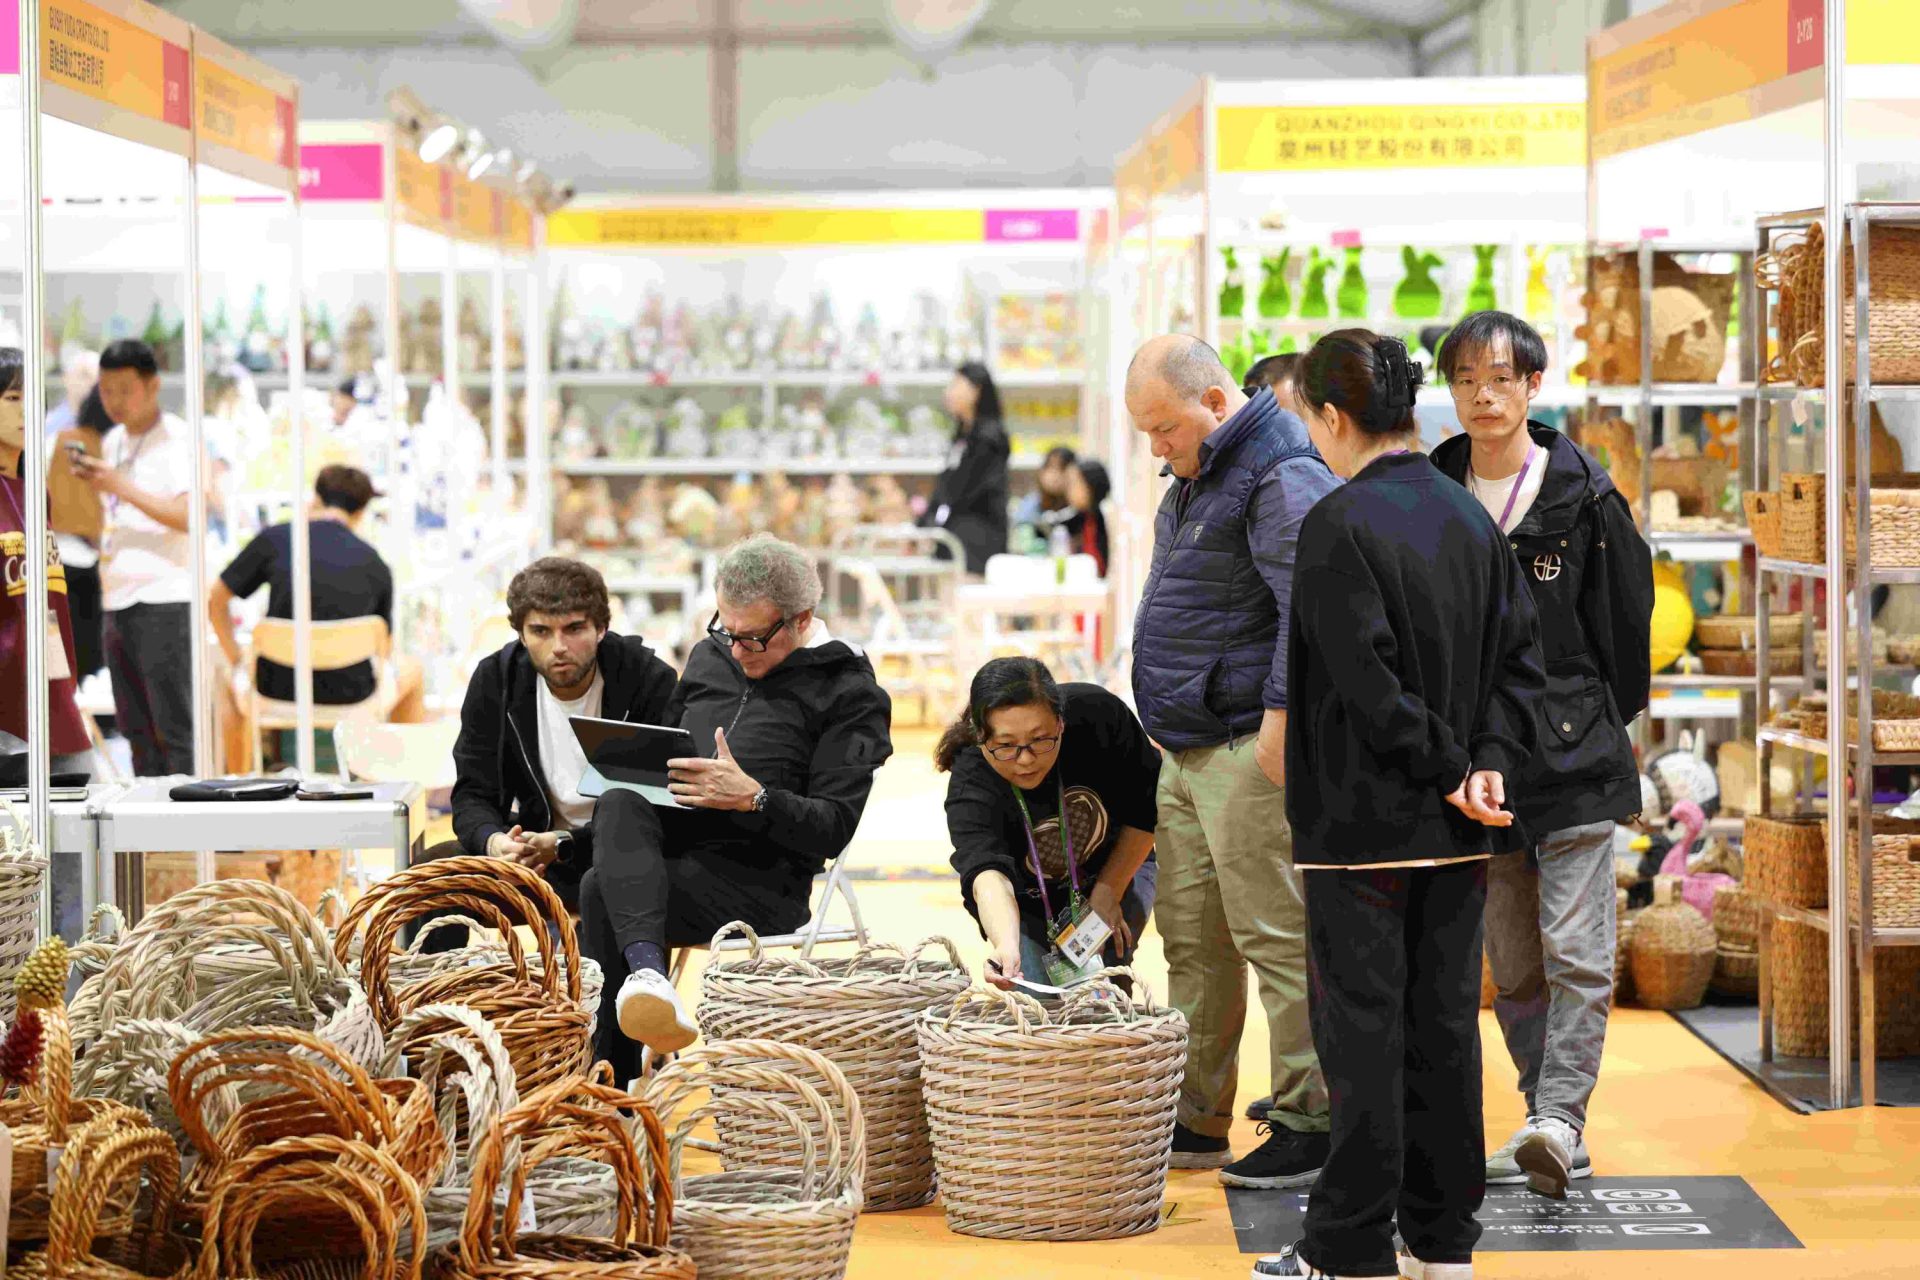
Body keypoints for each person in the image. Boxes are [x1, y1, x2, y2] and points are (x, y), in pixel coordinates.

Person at [1253, 330, 1544, 1280]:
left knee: (1363, 1042)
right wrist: (1485, 764)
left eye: (1309, 421)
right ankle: (1443, 1243)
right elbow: (1519, 667)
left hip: (1362, 834)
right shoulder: (1467, 517)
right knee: (1446, 1036)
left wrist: (1450, 764)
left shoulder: (1338, 525)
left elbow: (1366, 686)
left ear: (1334, 418)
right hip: (1459, 834)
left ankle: (1346, 1248)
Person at [1428, 311, 1653, 1199]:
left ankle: (1561, 1116)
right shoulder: (1436, 487)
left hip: (1575, 758)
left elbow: (1625, 634)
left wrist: (1586, 719)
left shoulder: (1587, 498)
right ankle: (1544, 1116)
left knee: (1578, 949)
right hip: (1474, 765)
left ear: (1532, 386)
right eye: (1466, 381)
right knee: (1514, 961)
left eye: (1501, 378)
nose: (1483, 396)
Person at [1124, 334, 1341, 1188]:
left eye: (1165, 428)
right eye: (1145, 433)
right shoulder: (1202, 474)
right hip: (1186, 748)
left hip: (1249, 747)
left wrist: (1280, 725)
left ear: (1215, 403)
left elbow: (1307, 610)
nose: (1156, 448)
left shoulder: (1278, 473)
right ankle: (1195, 1114)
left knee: (1276, 938)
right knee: (1195, 943)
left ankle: (1311, 1116)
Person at [583, 534, 893, 1079]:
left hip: (762, 881)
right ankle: (648, 985)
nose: (735, 650)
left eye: (752, 639)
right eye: (726, 631)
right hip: (675, 849)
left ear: (802, 619)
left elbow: (833, 828)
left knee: (598, 893)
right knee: (619, 798)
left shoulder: (848, 692)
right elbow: (666, 766)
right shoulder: (710, 657)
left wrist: (755, 799)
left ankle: (618, 1090)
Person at [438, 556, 679, 938]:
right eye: (541, 631)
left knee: (615, 884)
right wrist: (495, 841)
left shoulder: (646, 680)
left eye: (574, 628)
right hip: (534, 854)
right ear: (521, 634)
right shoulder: (496, 681)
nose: (559, 646)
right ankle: (435, 991)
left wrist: (566, 844)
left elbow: (662, 805)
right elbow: (473, 793)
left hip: (620, 857)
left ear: (601, 628)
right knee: (435, 874)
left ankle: (627, 990)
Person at [938, 657, 1157, 988]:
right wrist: (1005, 944)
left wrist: (1109, 891)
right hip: (1028, 899)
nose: (1025, 759)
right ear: (980, 737)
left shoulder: (1100, 717)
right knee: (1037, 993)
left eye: (1040, 739)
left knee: (1103, 987)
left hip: (1119, 864)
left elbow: (1146, 811)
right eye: (1006, 746)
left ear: (1061, 724)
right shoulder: (972, 781)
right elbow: (988, 874)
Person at [210, 464, 426, 726]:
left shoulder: (276, 539)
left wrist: (237, 660)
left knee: (226, 676)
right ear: (360, 512)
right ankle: (395, 765)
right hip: (351, 696)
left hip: (274, 691)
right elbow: (384, 649)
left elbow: (216, 598)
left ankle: (242, 767)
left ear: (316, 499)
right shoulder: (376, 564)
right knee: (413, 671)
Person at [72, 340, 195, 776]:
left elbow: (188, 516)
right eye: (106, 390)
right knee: (135, 731)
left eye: (125, 389)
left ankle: (189, 840)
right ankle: (153, 836)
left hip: (165, 597)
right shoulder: (113, 440)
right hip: (117, 597)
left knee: (175, 729)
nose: (115, 401)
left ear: (153, 385)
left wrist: (118, 486)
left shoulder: (179, 438)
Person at [0, 346, 93, 786]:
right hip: (6, 711)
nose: (25, 411)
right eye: (12, 398)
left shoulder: (35, 492)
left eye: (31, 399)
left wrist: (64, 683)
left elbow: (50, 603)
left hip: (52, 696)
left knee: (78, 839)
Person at [922, 362, 1010, 575]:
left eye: (956, 385)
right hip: (956, 537)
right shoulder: (963, 436)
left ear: (976, 391)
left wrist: (932, 521)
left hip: (977, 541)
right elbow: (946, 487)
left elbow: (960, 490)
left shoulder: (989, 438)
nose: (948, 393)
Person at [47, 387, 111, 679]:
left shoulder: (68, 440)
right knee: (87, 648)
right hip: (82, 554)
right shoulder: (91, 444)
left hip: (65, 553)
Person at [1011, 444, 1076, 536]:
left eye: (1061, 469)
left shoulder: (1077, 507)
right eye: (1050, 467)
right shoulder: (1031, 503)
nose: (1054, 475)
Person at [1061, 457, 1111, 576]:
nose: (1068, 490)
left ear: (1090, 485)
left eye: (1073, 484)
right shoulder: (1081, 518)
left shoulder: (1108, 518)